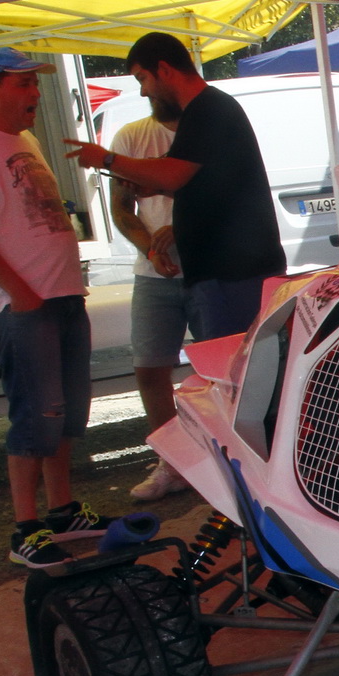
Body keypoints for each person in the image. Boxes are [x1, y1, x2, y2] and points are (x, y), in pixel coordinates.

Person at [0, 48, 114, 567]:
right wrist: (18, 291)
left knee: (66, 411)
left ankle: (62, 509)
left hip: (62, 292)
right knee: (35, 414)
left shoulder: (25, 139)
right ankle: (25, 527)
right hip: (26, 302)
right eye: (23, 84)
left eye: (35, 84)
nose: (35, 93)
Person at [65, 32, 284, 341]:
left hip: (233, 272)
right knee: (231, 361)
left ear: (164, 69)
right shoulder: (207, 109)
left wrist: (107, 159)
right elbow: (208, 185)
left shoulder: (207, 109)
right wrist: (154, 187)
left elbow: (172, 174)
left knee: (232, 363)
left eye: (142, 78)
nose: (143, 91)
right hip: (231, 271)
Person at [109, 94, 197, 500]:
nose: (144, 90)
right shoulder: (131, 136)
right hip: (154, 273)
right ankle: (172, 462)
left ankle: (226, 461)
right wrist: (150, 249)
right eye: (140, 81)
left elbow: (227, 196)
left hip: (208, 267)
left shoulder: (206, 129)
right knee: (149, 368)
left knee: (226, 368)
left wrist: (183, 227)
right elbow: (121, 208)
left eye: (146, 79)